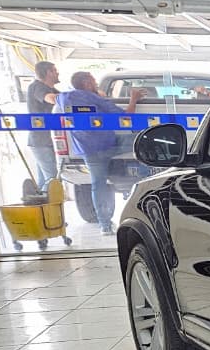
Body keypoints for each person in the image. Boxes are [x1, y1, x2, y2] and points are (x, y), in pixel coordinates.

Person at [54, 71, 145, 235]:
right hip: (109, 145)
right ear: (87, 83)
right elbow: (126, 116)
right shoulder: (94, 98)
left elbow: (54, 99)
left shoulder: (63, 98)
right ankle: (151, 170)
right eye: (93, 81)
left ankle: (105, 226)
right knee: (145, 139)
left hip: (87, 151)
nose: (96, 83)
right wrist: (134, 98)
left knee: (98, 185)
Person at [25, 61, 59, 192]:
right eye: (55, 70)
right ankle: (48, 202)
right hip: (42, 141)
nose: (57, 73)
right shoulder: (37, 87)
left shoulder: (51, 89)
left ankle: (39, 200)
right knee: (52, 180)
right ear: (48, 72)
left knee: (44, 181)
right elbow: (51, 99)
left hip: (44, 141)